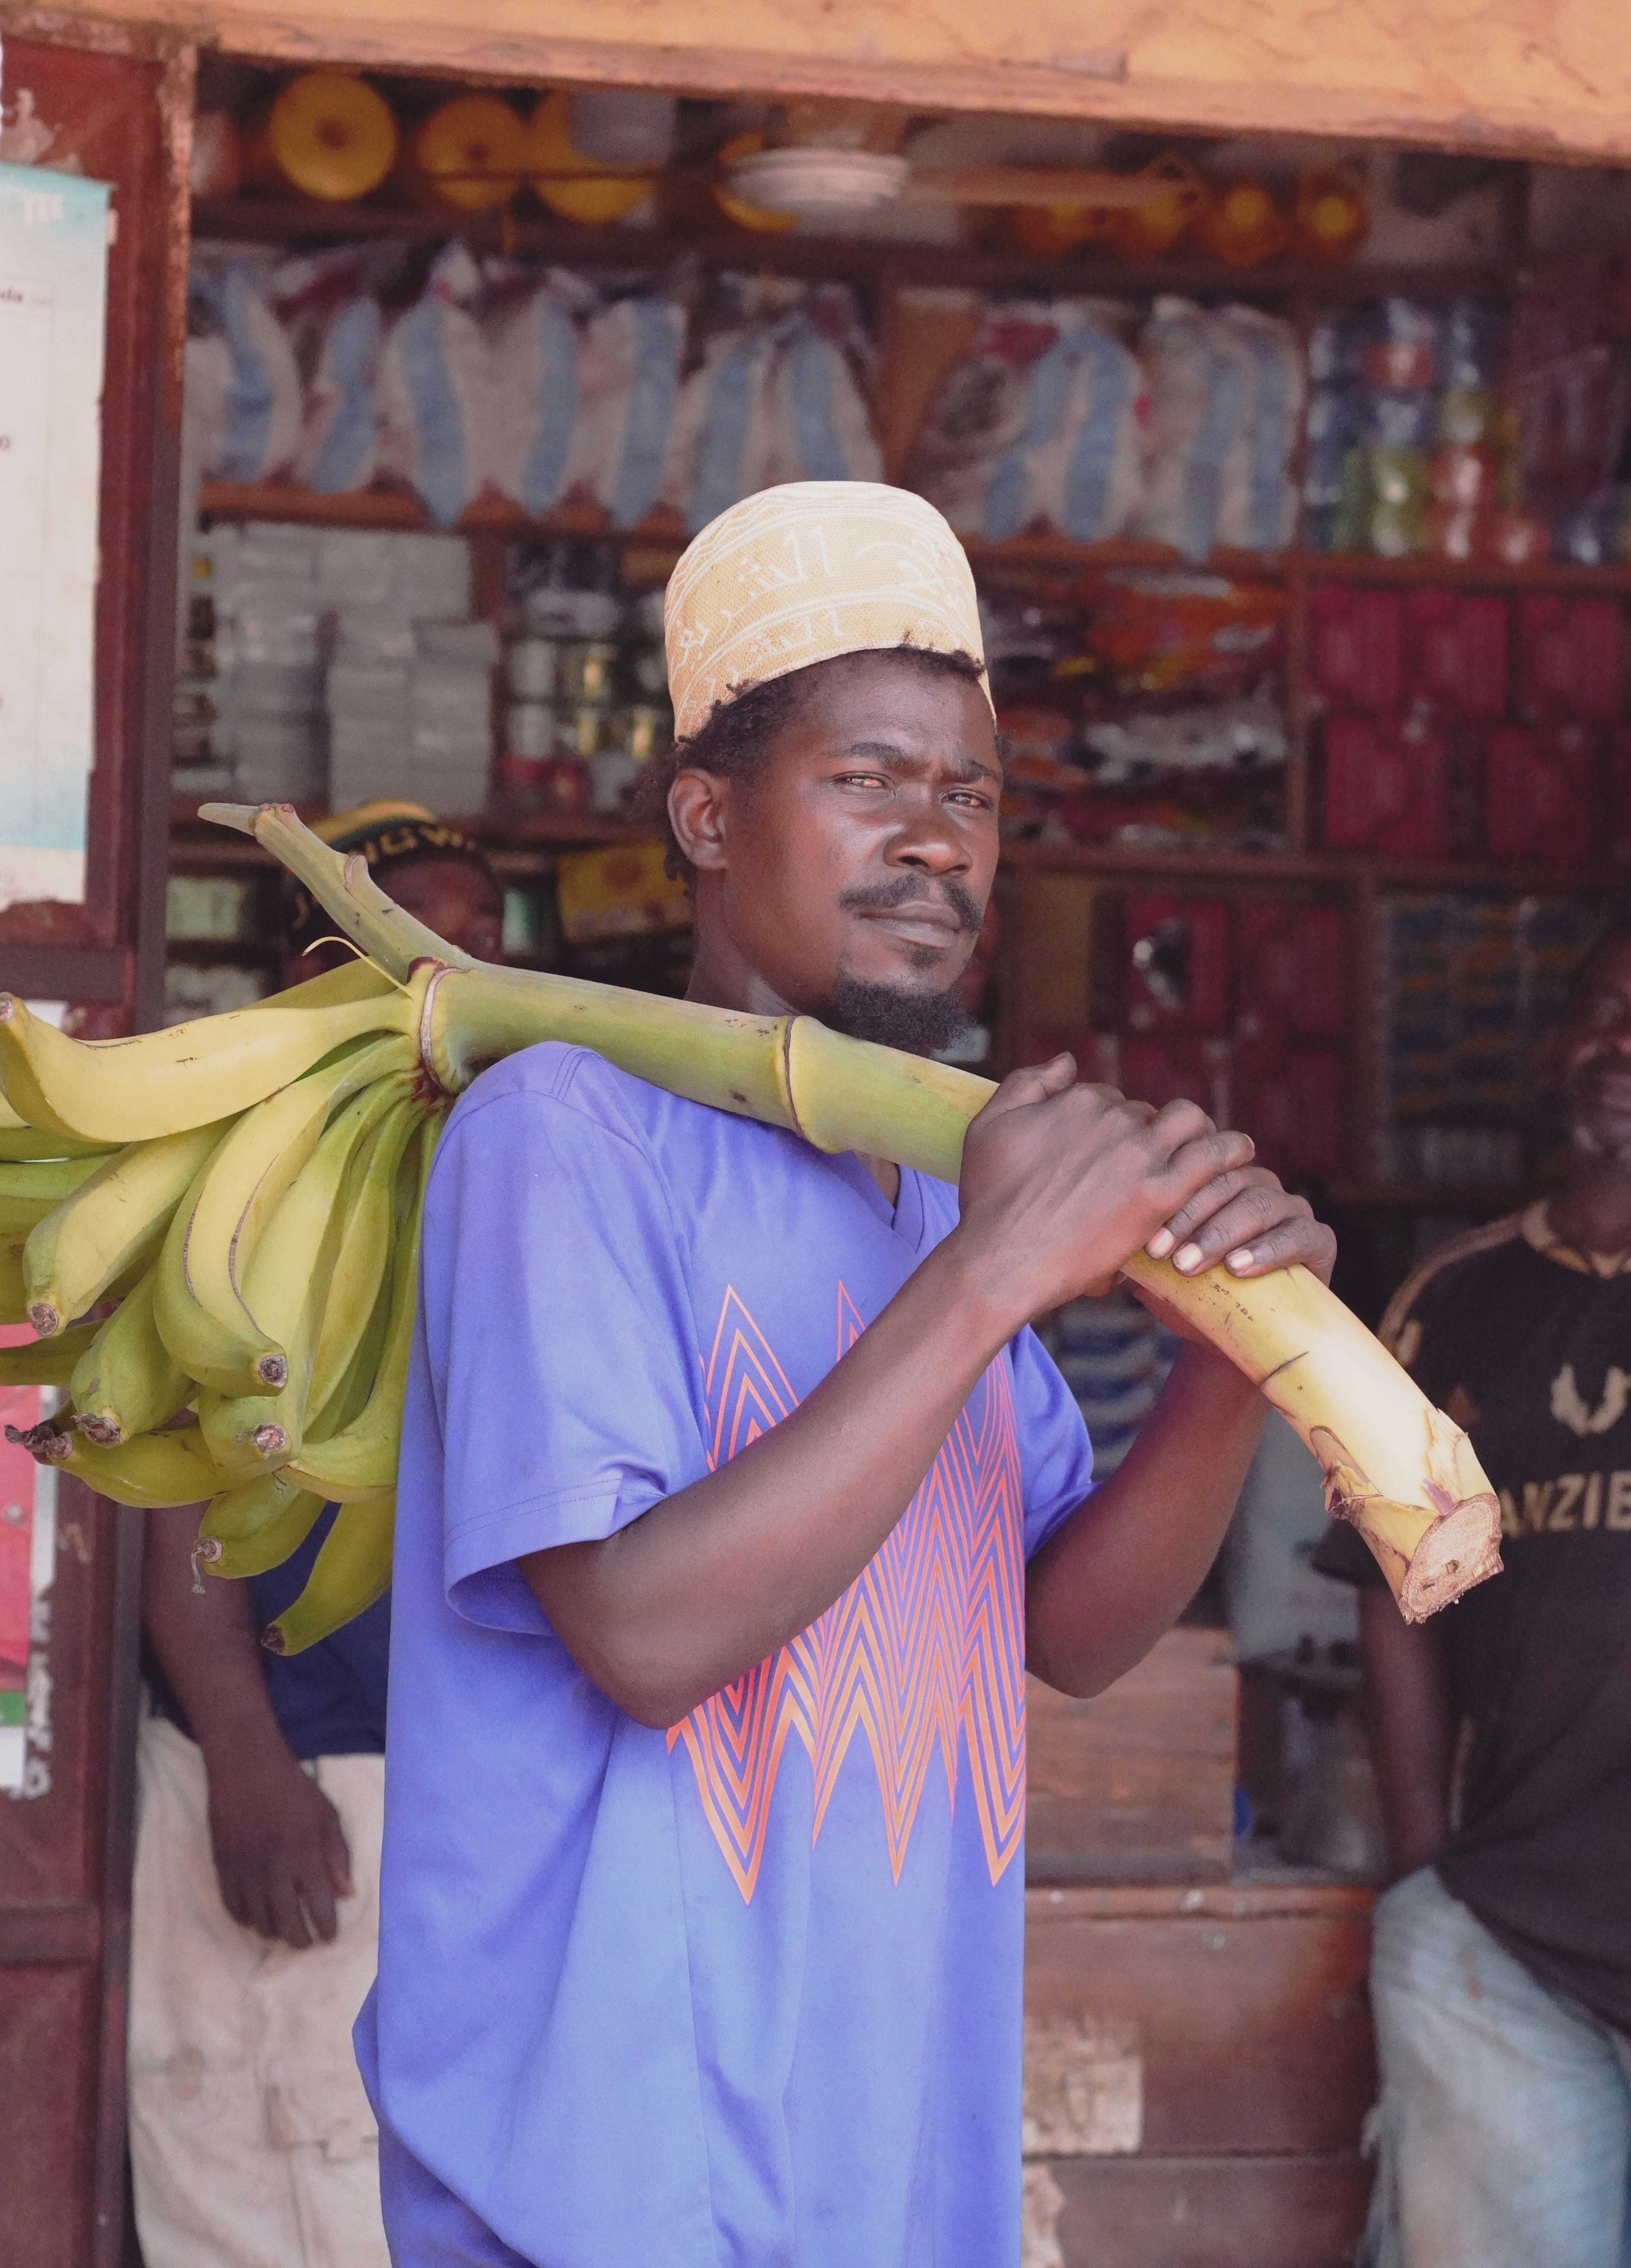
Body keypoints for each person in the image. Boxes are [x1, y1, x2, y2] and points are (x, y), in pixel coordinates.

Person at [358, 483, 1335, 2268]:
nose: (938, 840)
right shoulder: (561, 1136)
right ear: (708, 817)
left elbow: (1069, 1626)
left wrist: (1226, 1358)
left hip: (891, 2168)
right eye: (869, 779)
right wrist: (995, 1269)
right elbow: (641, 1633)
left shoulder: (925, 1178)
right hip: (618, 2179)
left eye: (968, 795)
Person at [130, 805, 504, 2268]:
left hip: (448, 1772)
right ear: (314, 971)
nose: (456, 963)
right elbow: (172, 1482)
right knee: (270, 2179)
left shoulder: (506, 1166)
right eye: (420, 929)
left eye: (482, 934)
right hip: (286, 1773)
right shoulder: (246, 1184)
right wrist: (247, 1758)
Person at [1316, 914, 1631, 2268]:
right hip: (1510, 1930)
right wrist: (1421, 1860)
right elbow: (1396, 1593)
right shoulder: (1454, 1299)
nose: (1623, 1050)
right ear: (1555, 1045)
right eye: (1605, 1012)